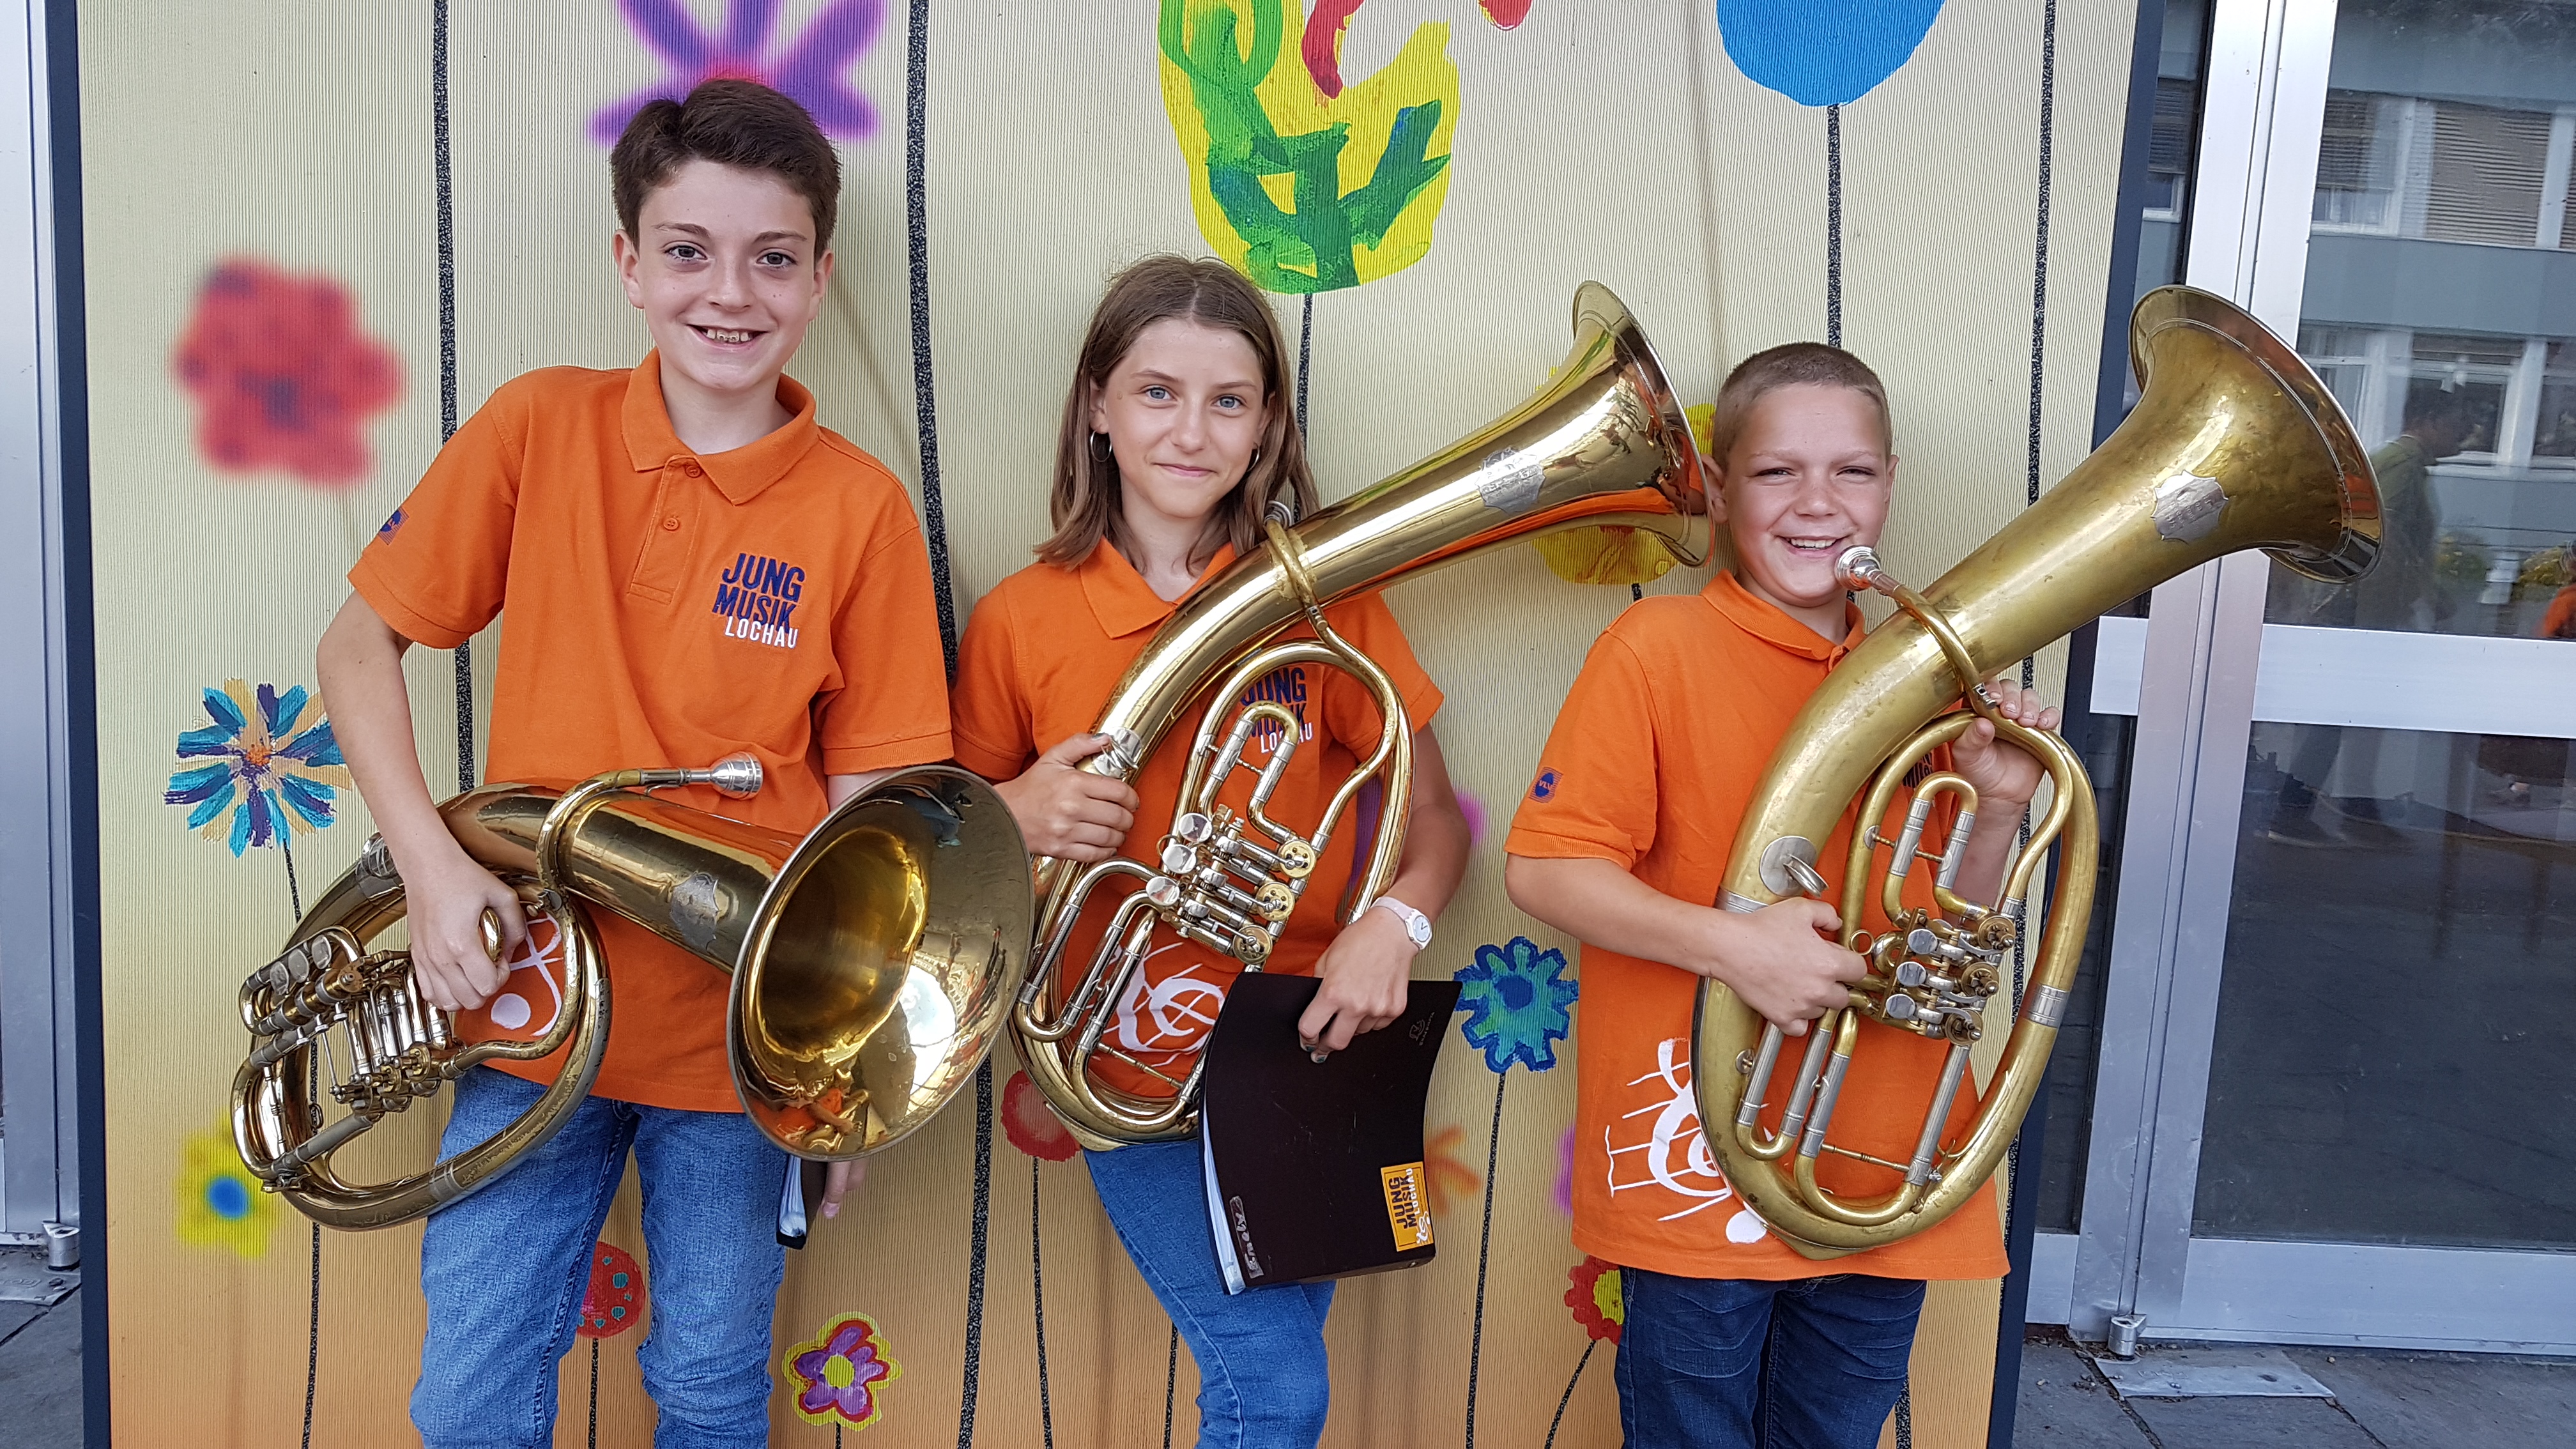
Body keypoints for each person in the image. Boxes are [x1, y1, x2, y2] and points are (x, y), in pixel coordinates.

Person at [314, 80, 951, 1449]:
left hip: (736, 1044)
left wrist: (849, 1069)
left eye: (772, 257)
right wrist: (432, 873)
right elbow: (356, 648)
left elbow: (875, 825)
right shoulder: (536, 426)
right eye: (688, 250)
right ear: (629, 263)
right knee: (472, 1385)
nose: (730, 292)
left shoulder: (862, 509)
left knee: (711, 1389)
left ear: (819, 278)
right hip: (525, 1004)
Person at [949, 254, 1471, 1449]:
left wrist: (1393, 924)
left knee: (1271, 1377)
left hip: (1308, 1044)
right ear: (1097, 404)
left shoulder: (1328, 601)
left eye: (1228, 401)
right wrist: (1019, 809)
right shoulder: (1021, 617)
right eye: (1156, 393)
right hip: (1120, 1055)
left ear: (1268, 424)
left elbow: (1434, 821)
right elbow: (951, 842)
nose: (1191, 431)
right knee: (1274, 1387)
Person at [1502, 344, 2062, 1448]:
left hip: (1884, 1160)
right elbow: (1545, 869)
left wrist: (1998, 805)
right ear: (1717, 489)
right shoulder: (1655, 647)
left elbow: (1944, 924)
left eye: (1851, 471)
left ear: (1890, 483)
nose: (1817, 502)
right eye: (1776, 473)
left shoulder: (1927, 677)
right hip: (1700, 1154)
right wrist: (1736, 947)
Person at [2264, 386, 2476, 846]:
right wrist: (2424, 596)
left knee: (2354, 715)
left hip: (2367, 612)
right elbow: (2383, 541)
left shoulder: (2407, 465)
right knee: (2337, 715)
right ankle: (2294, 810)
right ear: (2427, 420)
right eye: (2458, 422)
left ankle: (2354, 808)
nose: (2467, 433)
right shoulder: (2400, 465)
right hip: (2358, 614)